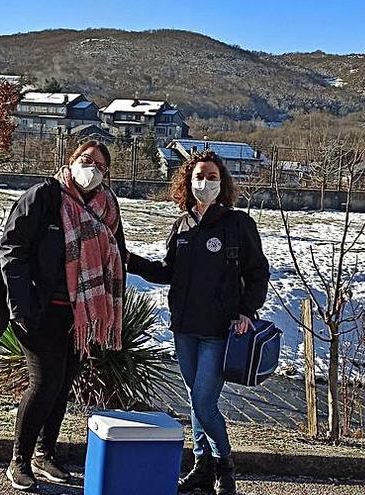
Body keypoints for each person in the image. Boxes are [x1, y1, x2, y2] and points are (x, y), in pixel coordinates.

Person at [127, 150, 270, 495]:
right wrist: (129, 260)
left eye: (212, 177)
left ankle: (225, 467)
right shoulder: (182, 225)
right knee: (195, 400)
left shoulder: (238, 225)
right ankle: (202, 467)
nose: (205, 183)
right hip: (185, 328)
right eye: (198, 177)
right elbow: (168, 272)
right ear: (187, 183)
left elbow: (258, 272)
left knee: (205, 403)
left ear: (222, 183)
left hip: (220, 331)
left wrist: (247, 311)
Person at [0, 140, 126, 491]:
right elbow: (12, 250)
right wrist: (21, 308)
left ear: (107, 174)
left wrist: (170, 270)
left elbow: (120, 254)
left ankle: (45, 453)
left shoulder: (107, 208)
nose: (92, 168)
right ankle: (18, 460)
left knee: (63, 384)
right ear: (71, 160)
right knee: (45, 383)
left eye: (100, 165)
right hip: (38, 312)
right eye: (86, 160)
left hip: (81, 316)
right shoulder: (44, 196)